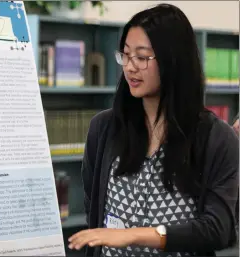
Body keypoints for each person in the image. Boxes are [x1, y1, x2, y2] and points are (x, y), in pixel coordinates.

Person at [68, 3, 239, 257]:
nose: (129, 66)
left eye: (142, 57)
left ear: (173, 60)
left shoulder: (215, 137)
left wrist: (134, 234)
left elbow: (218, 229)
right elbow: (95, 207)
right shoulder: (104, 129)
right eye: (125, 55)